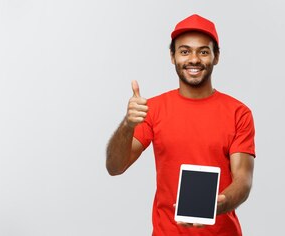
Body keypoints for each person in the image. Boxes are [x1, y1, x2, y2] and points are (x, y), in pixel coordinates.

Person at [106, 14, 256, 236]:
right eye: (184, 51)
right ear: (172, 56)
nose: (193, 59)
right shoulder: (153, 109)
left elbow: (243, 179)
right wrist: (128, 124)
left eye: (203, 51)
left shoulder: (238, 113)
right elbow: (115, 167)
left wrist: (218, 205)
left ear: (216, 57)